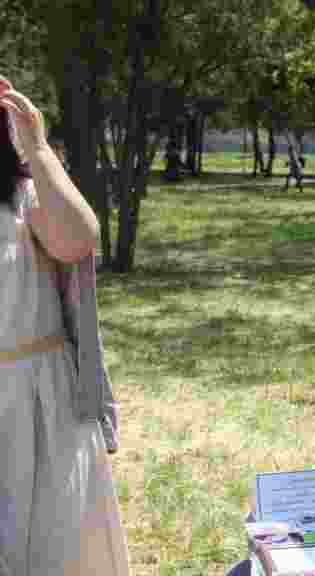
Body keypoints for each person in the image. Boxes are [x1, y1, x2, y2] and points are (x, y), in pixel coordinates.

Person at [0, 78, 130, 573]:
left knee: (55, 551)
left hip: (42, 403)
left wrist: (35, 146)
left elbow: (78, 239)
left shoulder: (24, 196)